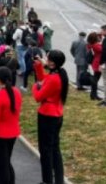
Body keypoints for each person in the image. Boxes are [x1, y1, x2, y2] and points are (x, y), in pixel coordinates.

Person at [32, 50, 69, 184]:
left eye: (47, 59)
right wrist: (38, 66)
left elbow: (38, 96)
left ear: (52, 63)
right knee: (54, 148)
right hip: (56, 113)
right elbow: (44, 79)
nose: (45, 60)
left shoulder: (54, 79)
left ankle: (47, 180)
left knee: (45, 151)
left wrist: (36, 87)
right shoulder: (59, 74)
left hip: (47, 115)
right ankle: (59, 179)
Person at [86, 32, 103, 101]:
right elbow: (103, 50)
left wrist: (100, 34)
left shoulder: (92, 45)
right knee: (95, 80)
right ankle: (94, 94)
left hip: (96, 63)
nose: (99, 38)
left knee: (95, 79)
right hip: (97, 63)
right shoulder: (96, 46)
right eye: (97, 37)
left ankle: (93, 94)